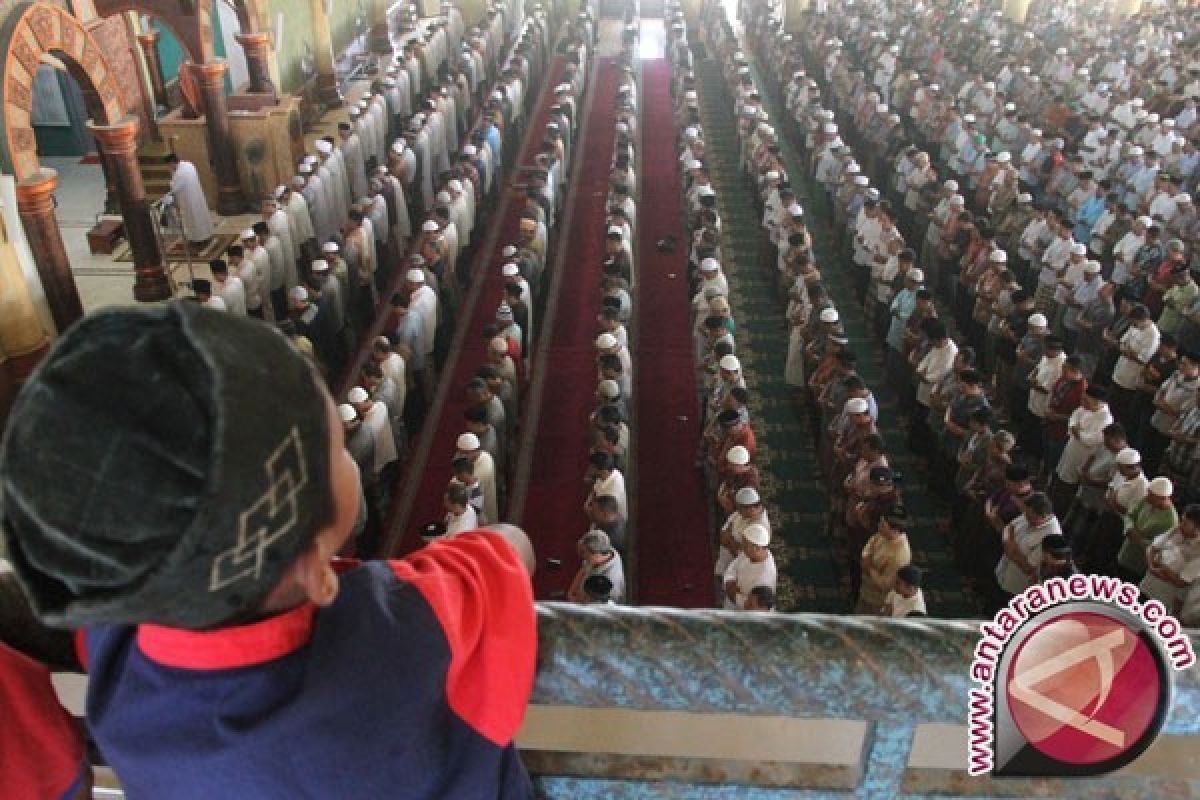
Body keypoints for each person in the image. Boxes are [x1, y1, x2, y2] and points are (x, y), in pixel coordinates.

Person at [0, 302, 539, 797]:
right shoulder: (404, 627)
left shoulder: (118, 640)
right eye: (338, 451)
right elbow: (508, 553)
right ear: (317, 571)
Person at [857, 509, 912, 614]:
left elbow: (886, 585)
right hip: (865, 590)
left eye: (883, 524)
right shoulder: (883, 534)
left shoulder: (900, 555)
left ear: (894, 530)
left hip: (878, 601)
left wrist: (868, 567)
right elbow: (871, 542)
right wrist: (866, 556)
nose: (878, 525)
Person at [722, 523, 776, 610]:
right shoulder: (750, 553)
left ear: (757, 548)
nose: (742, 546)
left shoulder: (764, 578)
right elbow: (733, 566)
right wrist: (729, 581)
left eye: (745, 544)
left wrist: (732, 592)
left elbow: (752, 606)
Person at [166, 154, 214, 243]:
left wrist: (171, 173)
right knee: (201, 216)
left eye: (169, 165)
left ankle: (198, 238)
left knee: (193, 219)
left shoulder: (179, 173)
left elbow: (174, 188)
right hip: (197, 197)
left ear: (172, 163)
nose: (169, 167)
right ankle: (207, 234)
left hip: (189, 201)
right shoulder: (189, 165)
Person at [567, 530, 625, 603]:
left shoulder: (610, 581)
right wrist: (571, 593)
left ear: (597, 554)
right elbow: (584, 569)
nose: (583, 557)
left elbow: (590, 606)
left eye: (584, 553)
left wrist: (575, 600)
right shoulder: (608, 552)